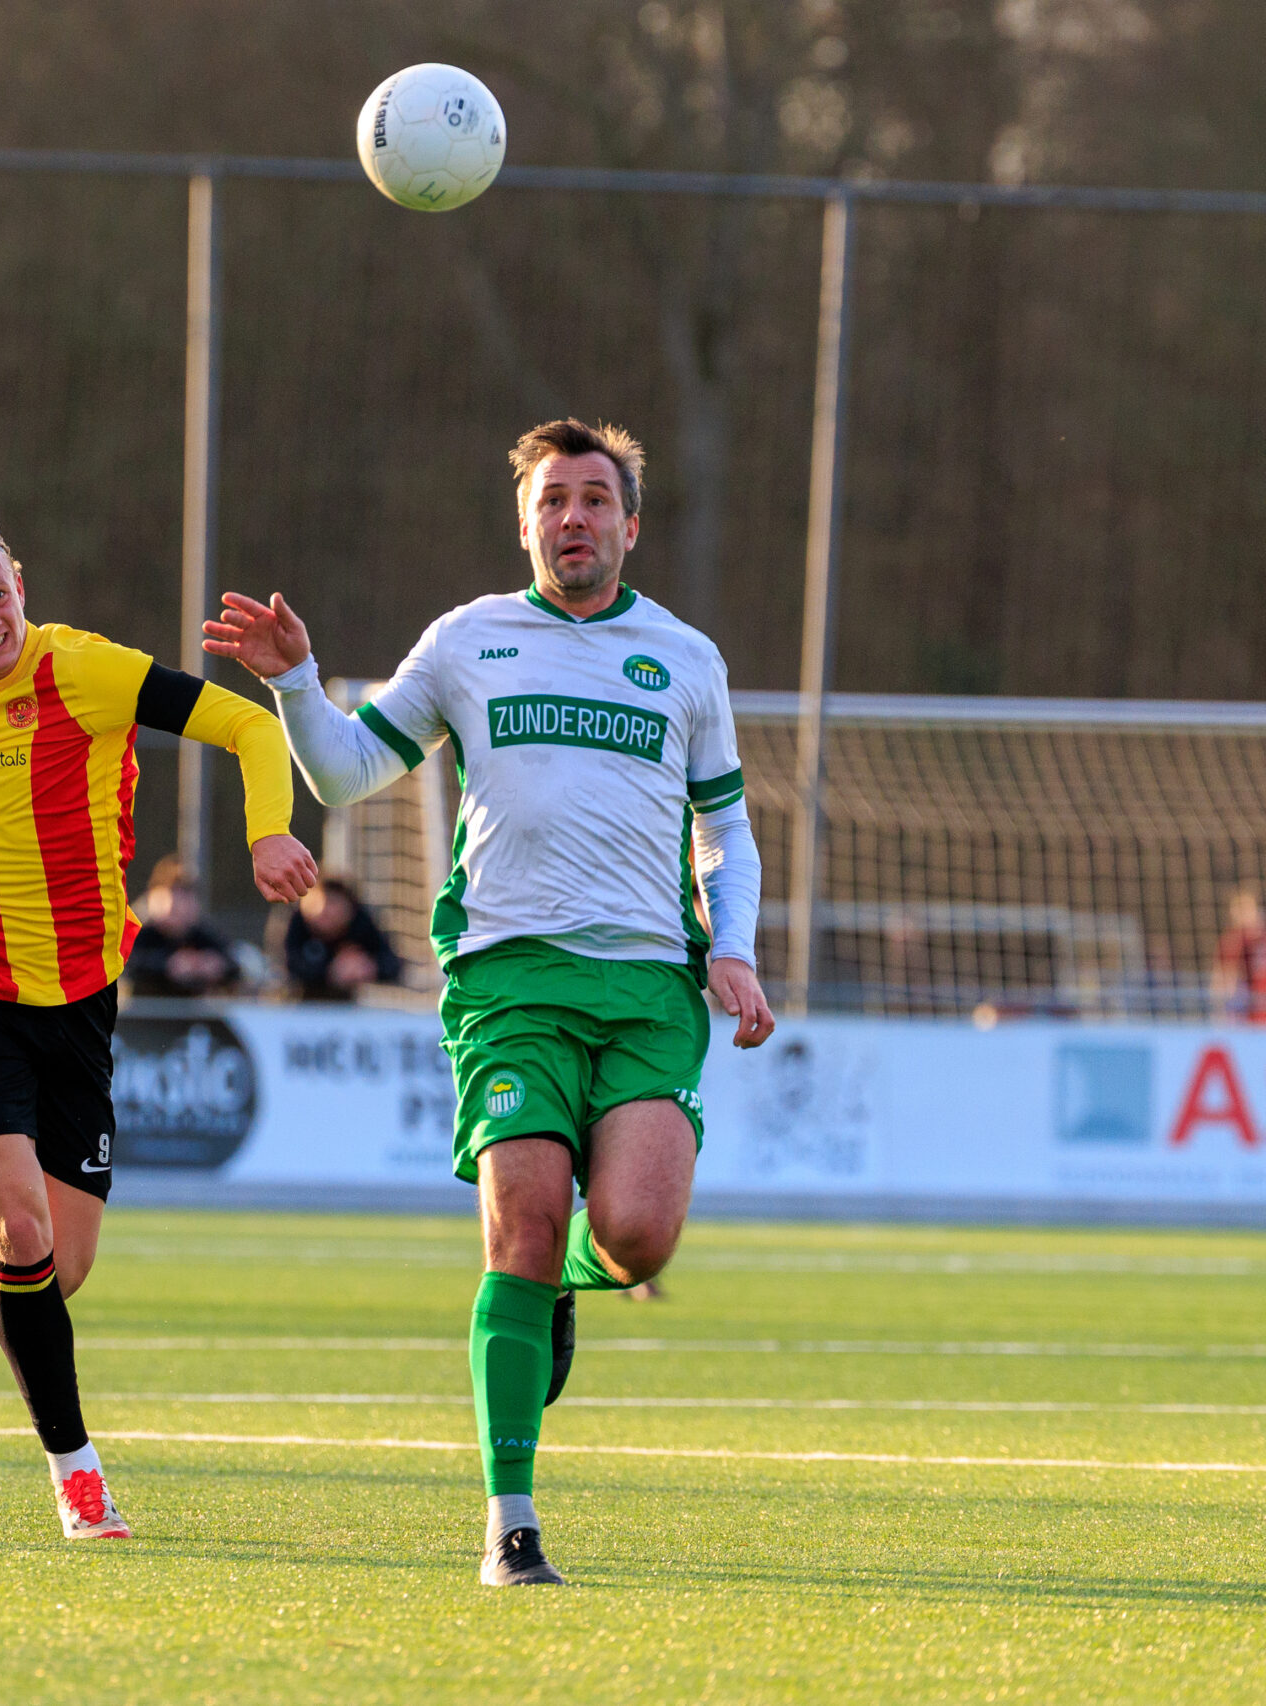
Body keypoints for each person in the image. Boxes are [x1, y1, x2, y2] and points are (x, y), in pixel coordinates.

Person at [204, 418, 775, 1587]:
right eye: (553, 500)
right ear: (525, 523)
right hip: (507, 978)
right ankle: (510, 1523)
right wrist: (296, 683)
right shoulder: (467, 641)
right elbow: (350, 772)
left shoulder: (686, 657)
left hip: (648, 986)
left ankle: (565, 1281)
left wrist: (738, 945)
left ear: (629, 522)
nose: (574, 517)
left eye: (594, 499)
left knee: (635, 1234)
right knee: (519, 1225)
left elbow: (726, 827)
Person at [0, 507, 317, 1540]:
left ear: (22, 588)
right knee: (17, 1230)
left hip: (83, 996)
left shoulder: (84, 670)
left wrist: (268, 827)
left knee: (62, 1263)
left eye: (0, 595)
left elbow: (251, 725)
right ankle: (77, 1475)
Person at [122, 853, 240, 999]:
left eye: (186, 896)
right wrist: (168, 965)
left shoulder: (202, 934)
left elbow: (235, 965)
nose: (180, 905)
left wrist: (214, 965)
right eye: (174, 894)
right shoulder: (140, 933)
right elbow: (128, 967)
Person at [284, 875, 404, 1002]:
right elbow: (285, 966)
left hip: (356, 1009)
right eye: (316, 902)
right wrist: (331, 971)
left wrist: (369, 967)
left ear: (349, 906)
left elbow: (392, 964)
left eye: (332, 903)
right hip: (301, 1008)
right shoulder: (295, 924)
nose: (323, 909)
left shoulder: (362, 924)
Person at [1211, 889, 1266, 1022]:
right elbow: (1221, 978)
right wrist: (1219, 1011)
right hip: (1249, 1015)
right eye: (1239, 911)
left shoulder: (1260, 937)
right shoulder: (1232, 942)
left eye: (1247, 910)